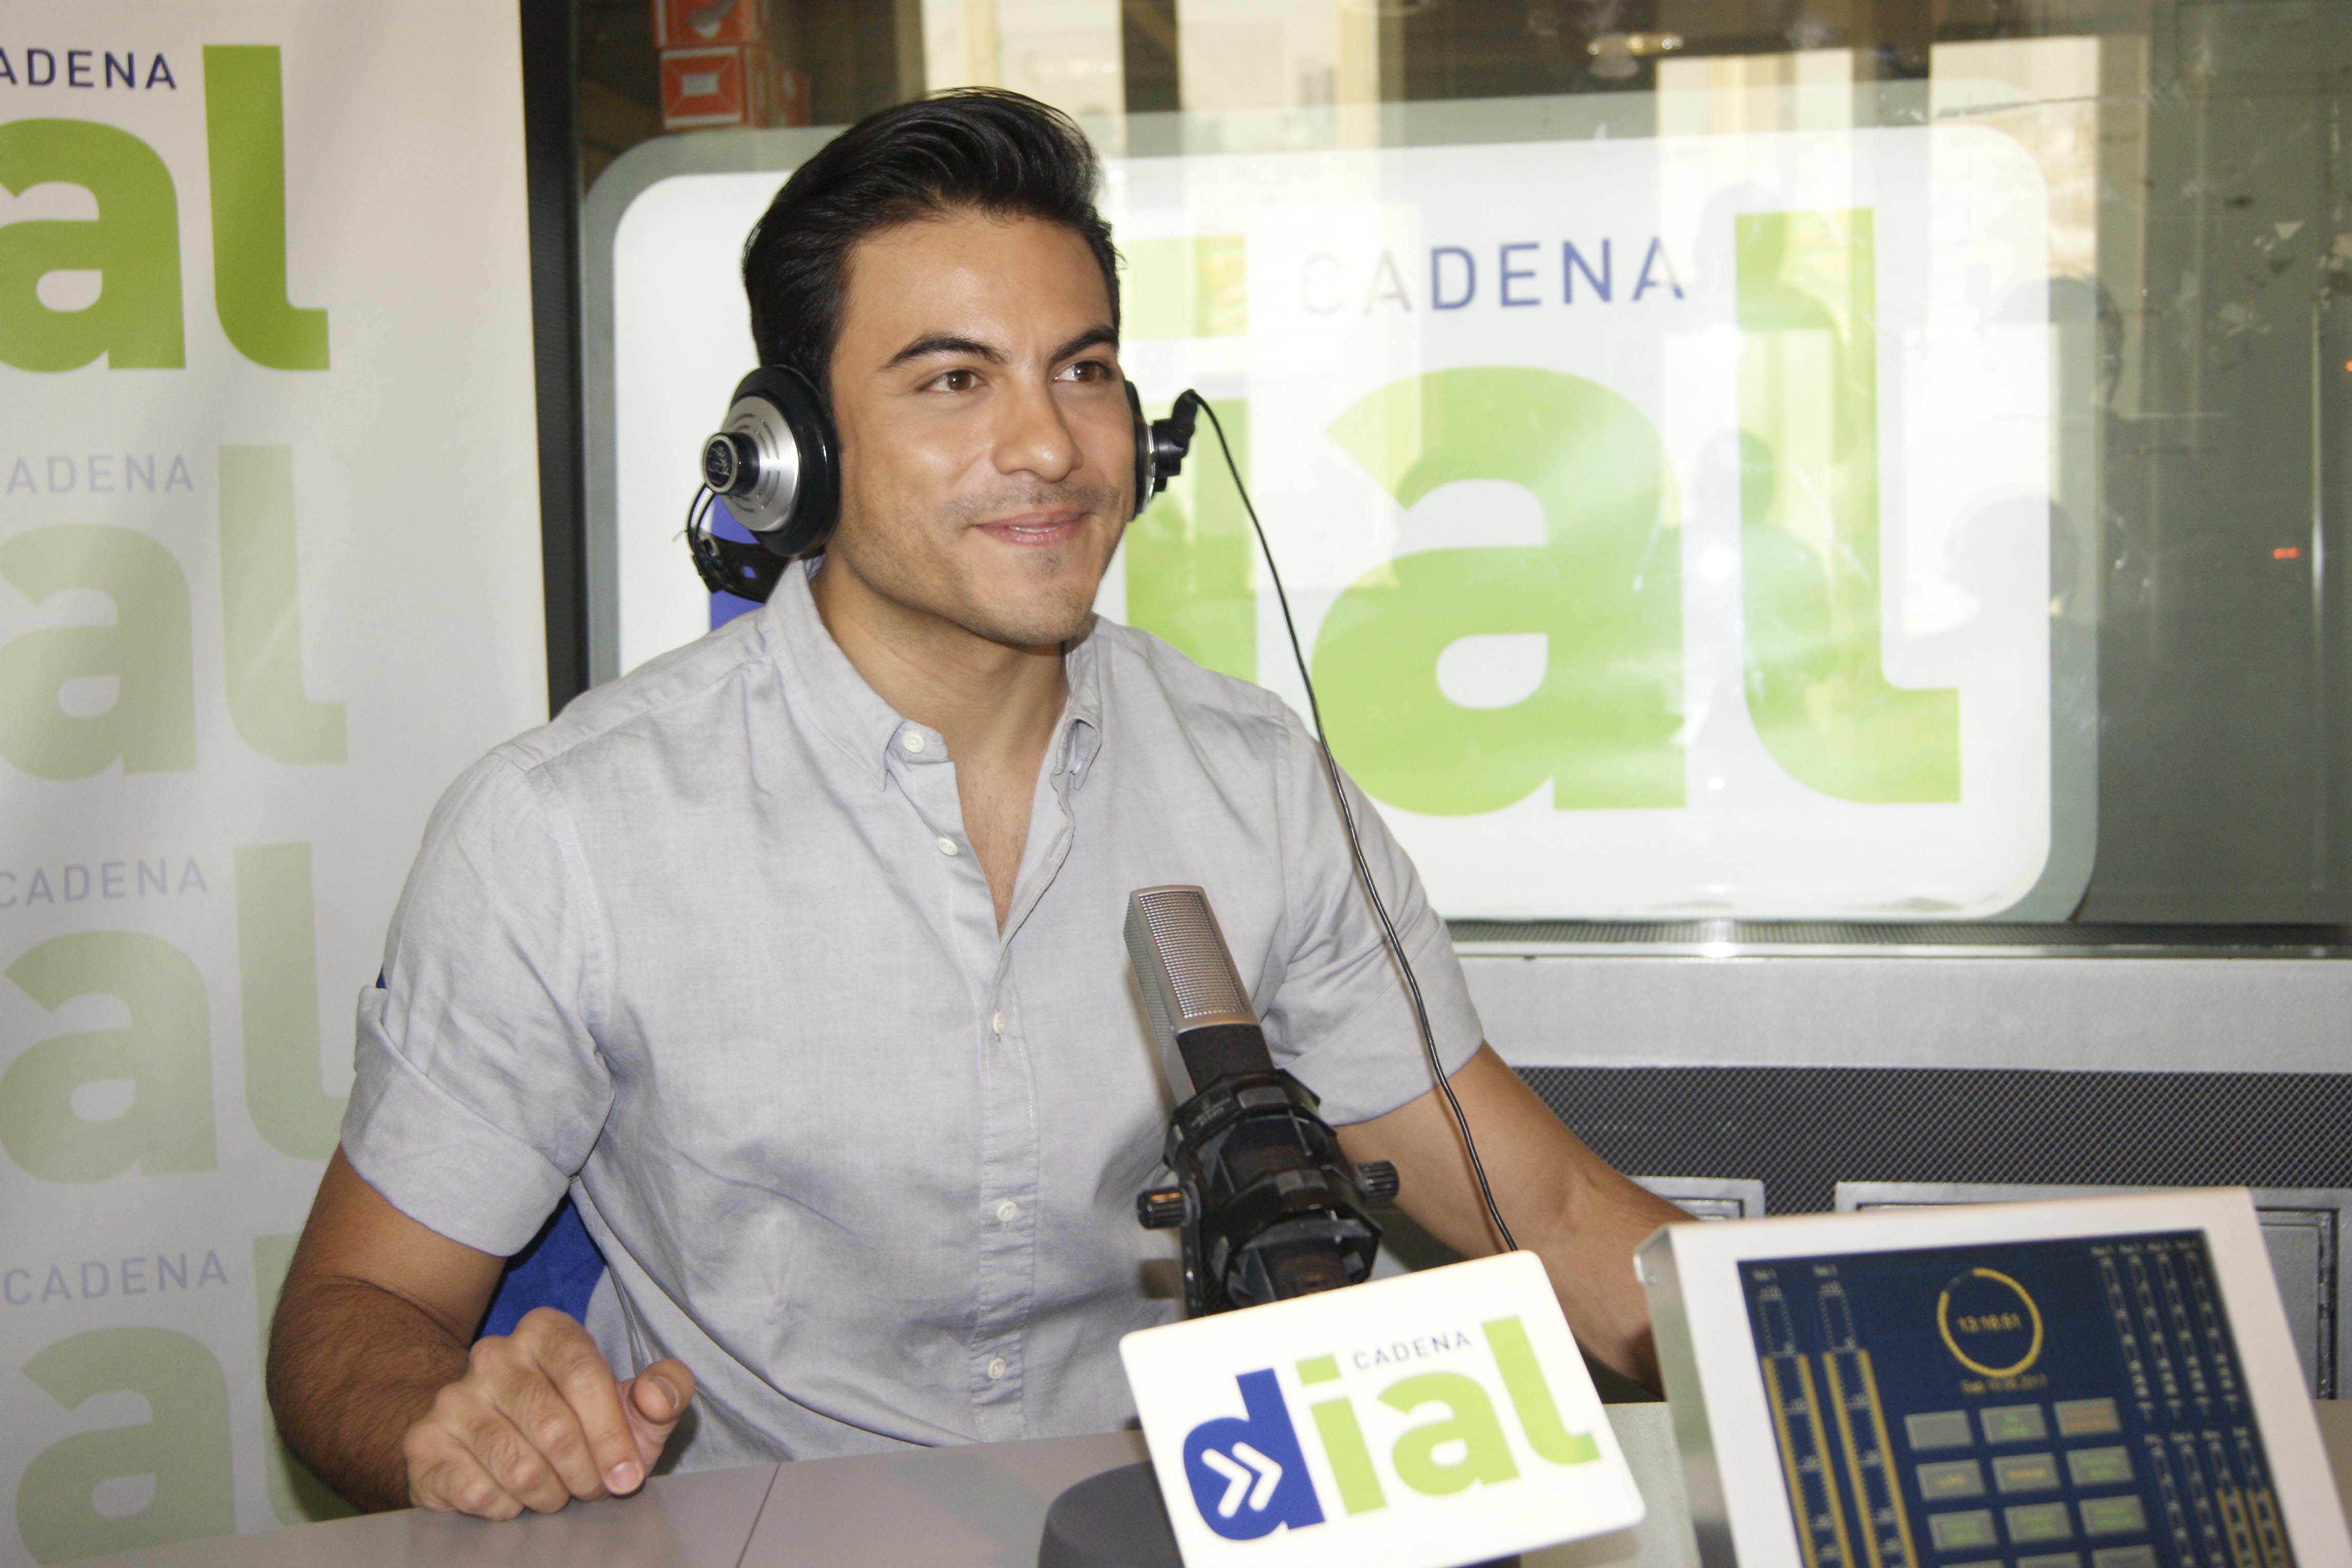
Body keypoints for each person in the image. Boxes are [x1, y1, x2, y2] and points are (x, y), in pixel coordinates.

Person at [266, 87, 1686, 1522]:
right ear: (795, 449)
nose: (1052, 447)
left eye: (1083, 371)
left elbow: (1553, 1217)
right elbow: (351, 1315)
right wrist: (458, 1427)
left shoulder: (1257, 788)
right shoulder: (565, 833)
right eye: (955, 381)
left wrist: (1797, 1342)